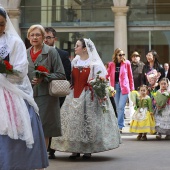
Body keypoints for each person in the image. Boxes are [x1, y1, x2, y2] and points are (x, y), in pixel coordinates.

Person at [51, 38, 121, 159]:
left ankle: (88, 149)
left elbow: (101, 80)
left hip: (89, 95)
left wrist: (95, 85)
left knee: (88, 121)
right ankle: (75, 149)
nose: (75, 48)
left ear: (84, 49)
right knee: (74, 122)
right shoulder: (75, 61)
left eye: (77, 46)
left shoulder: (95, 63)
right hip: (74, 94)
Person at [0, 7, 48, 170]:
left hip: (12, 91)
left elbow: (20, 70)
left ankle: (14, 164)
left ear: (5, 24)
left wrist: (4, 71)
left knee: (16, 127)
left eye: (1, 24)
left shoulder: (14, 42)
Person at [27, 25, 66, 149]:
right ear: (28, 37)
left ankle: (42, 162)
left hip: (46, 96)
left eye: (38, 35)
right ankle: (32, 159)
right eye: (32, 35)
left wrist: (45, 77)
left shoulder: (51, 52)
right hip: (28, 96)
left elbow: (61, 74)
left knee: (44, 130)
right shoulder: (25, 53)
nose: (35, 37)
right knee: (29, 128)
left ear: (43, 37)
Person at [44, 27, 71, 159]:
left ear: (55, 39)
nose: (46, 40)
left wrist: (49, 77)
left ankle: (52, 149)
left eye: (48, 37)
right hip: (41, 91)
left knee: (54, 120)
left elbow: (66, 74)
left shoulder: (63, 54)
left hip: (57, 92)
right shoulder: (35, 53)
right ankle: (45, 147)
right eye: (45, 37)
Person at [106, 48, 134, 133]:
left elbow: (130, 76)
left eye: (123, 54)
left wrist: (132, 89)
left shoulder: (127, 63)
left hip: (124, 88)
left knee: (121, 107)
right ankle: (118, 125)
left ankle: (120, 126)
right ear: (116, 56)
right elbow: (106, 74)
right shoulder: (111, 64)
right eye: (120, 55)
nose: (122, 56)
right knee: (118, 108)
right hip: (115, 88)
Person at [128, 51, 145, 124]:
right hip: (131, 88)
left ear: (139, 57)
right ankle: (132, 120)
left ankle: (140, 119)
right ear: (131, 58)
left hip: (140, 88)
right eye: (133, 56)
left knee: (140, 104)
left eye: (137, 56)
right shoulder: (128, 65)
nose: (135, 57)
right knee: (131, 104)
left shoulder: (143, 65)